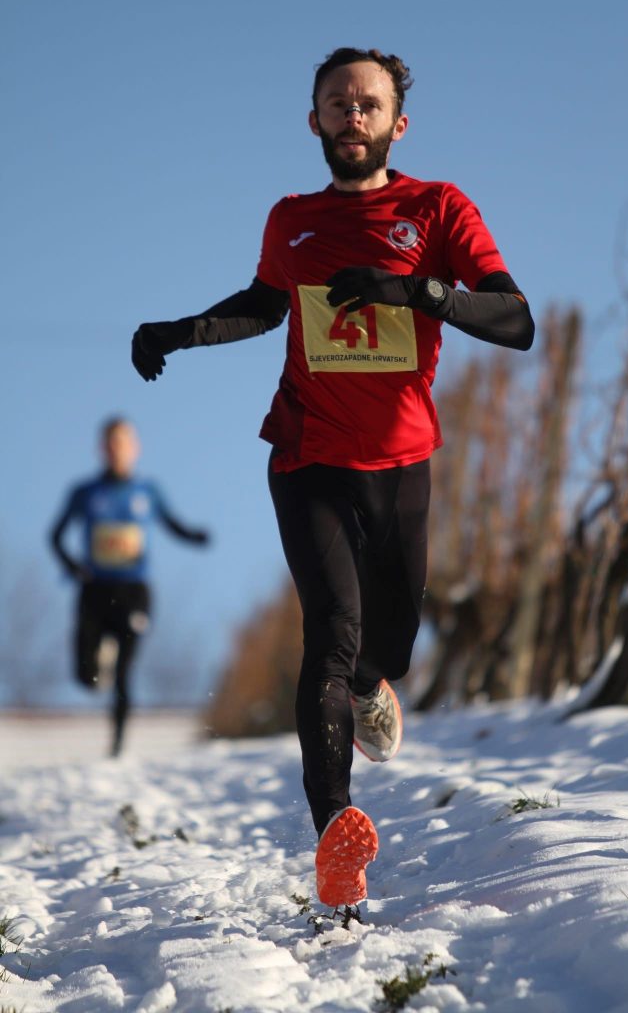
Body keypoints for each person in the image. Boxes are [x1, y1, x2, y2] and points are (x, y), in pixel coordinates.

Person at [131, 47, 534, 908]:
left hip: (401, 460)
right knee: (331, 632)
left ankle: (369, 685)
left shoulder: (436, 208)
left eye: (367, 104)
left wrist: (415, 291)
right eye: (336, 102)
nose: (352, 115)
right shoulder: (292, 219)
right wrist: (176, 331)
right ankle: (334, 835)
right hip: (307, 453)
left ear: (397, 123)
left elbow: (514, 319)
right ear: (312, 119)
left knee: (388, 646)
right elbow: (264, 304)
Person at [49, 417, 210, 757]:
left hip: (133, 592)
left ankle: (117, 747)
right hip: (94, 590)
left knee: (124, 673)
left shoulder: (147, 492)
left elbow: (173, 524)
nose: (117, 449)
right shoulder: (85, 493)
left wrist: (196, 536)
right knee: (85, 676)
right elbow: (55, 536)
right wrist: (73, 566)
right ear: (101, 448)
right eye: (111, 443)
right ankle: (97, 663)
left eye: (123, 442)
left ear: (135, 448)